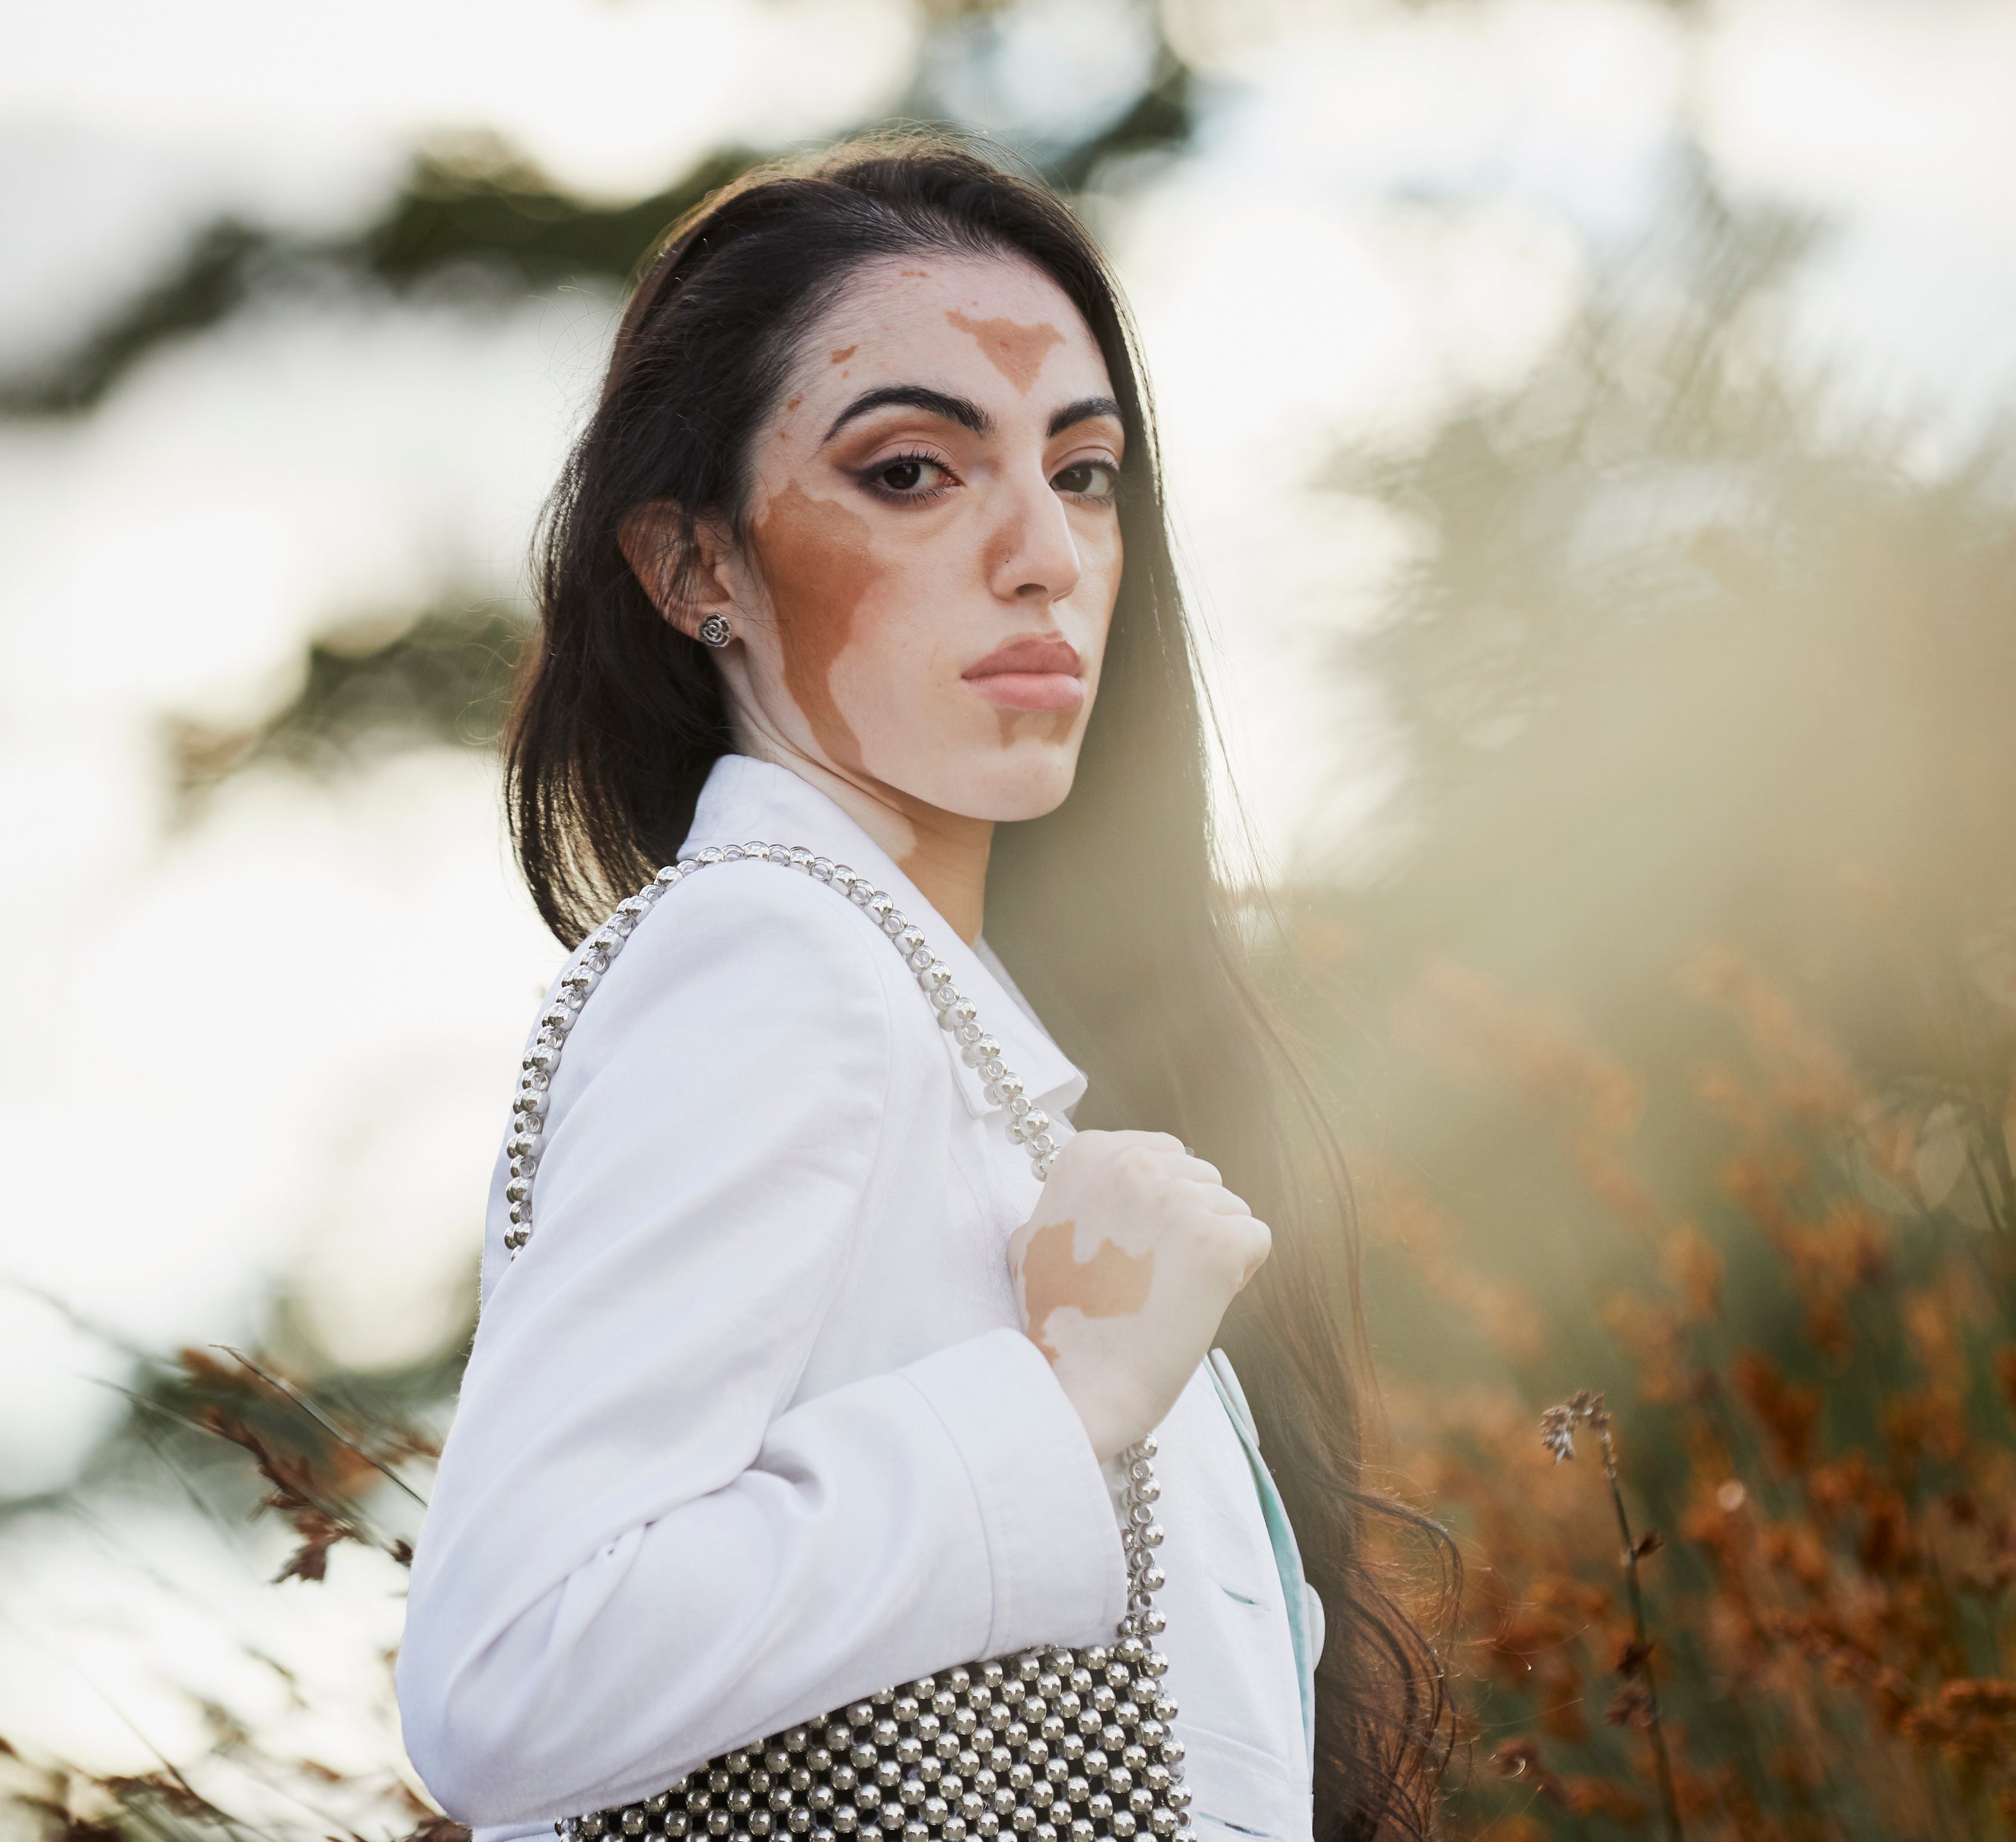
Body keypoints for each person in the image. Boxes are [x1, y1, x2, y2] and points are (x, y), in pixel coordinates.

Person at [397, 132, 1443, 1842]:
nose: (1044, 551)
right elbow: (511, 1666)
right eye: (911, 472)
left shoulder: (951, 1025)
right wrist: (1052, 1412)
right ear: (694, 570)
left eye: (1085, 472)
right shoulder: (773, 963)